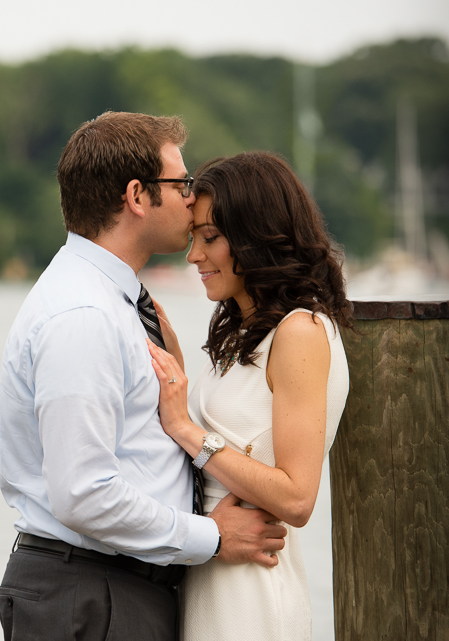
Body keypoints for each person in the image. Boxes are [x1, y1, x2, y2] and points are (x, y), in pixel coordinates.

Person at [0, 113, 288, 641]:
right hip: (91, 595)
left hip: (111, 589)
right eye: (181, 184)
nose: (190, 197)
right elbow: (82, 493)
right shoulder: (83, 315)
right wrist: (212, 536)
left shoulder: (115, 300)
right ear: (137, 195)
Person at [147, 151, 352, 641]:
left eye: (211, 237)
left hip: (251, 591)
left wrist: (186, 430)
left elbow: (298, 498)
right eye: (195, 236)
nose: (194, 254)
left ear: (257, 236)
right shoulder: (244, 333)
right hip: (214, 565)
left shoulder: (299, 331)